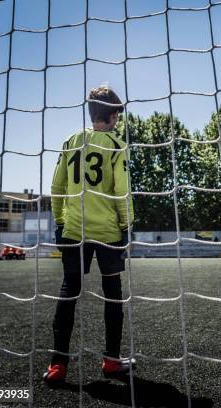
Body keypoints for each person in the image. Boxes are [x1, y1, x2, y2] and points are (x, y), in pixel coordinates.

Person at [44, 86, 135, 385]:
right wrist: (126, 225)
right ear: (111, 115)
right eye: (117, 115)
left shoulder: (71, 141)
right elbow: (122, 192)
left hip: (74, 231)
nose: (118, 121)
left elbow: (56, 188)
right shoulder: (116, 145)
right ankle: (111, 362)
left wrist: (60, 221)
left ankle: (58, 365)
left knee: (69, 293)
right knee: (113, 296)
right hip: (108, 233)